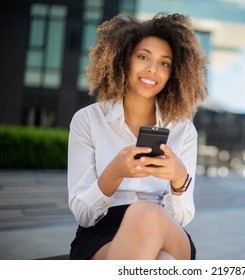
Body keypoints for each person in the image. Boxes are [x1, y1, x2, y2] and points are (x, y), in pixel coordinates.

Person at [67, 12, 207, 260]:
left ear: (174, 73)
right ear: (123, 59)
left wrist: (178, 179)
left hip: (166, 228)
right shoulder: (88, 120)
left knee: (146, 213)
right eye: (143, 57)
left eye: (164, 63)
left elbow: (182, 218)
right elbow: (83, 214)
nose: (152, 69)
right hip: (102, 232)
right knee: (163, 262)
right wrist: (114, 173)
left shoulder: (183, 130)